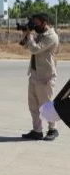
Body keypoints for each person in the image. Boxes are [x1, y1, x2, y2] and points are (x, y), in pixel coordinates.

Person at [20, 13, 60, 141]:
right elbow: (25, 45)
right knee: (33, 105)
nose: (35, 25)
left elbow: (35, 49)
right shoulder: (39, 35)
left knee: (47, 105)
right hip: (34, 75)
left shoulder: (51, 36)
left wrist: (30, 35)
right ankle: (37, 131)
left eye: (36, 23)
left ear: (44, 23)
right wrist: (25, 34)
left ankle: (52, 129)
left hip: (46, 76)